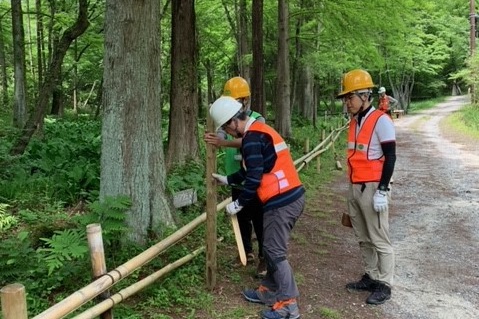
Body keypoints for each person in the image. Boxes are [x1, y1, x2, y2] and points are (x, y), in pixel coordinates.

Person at [210, 96, 305, 319]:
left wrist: (239, 203)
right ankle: (270, 291)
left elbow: (253, 178)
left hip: (282, 200)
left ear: (234, 121)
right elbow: (252, 169)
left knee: (273, 251)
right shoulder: (259, 130)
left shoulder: (252, 137)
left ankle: (289, 305)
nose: (228, 133)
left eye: (226, 127)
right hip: (287, 197)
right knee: (272, 248)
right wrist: (228, 179)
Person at [337, 69, 396, 305]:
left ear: (364, 95)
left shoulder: (381, 120)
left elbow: (390, 157)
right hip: (355, 186)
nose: (347, 103)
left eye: (349, 97)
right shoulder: (355, 121)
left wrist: (382, 190)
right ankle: (371, 276)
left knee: (379, 237)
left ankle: (385, 283)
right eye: (345, 98)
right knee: (362, 236)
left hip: (373, 188)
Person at [204, 76, 266, 278]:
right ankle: (245, 251)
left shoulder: (257, 119)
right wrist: (214, 139)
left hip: (255, 179)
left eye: (236, 101)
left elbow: (248, 140)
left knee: (259, 218)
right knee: (241, 218)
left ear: (245, 100)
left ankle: (264, 258)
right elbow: (221, 135)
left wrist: (224, 143)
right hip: (236, 177)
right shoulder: (226, 120)